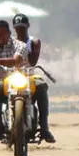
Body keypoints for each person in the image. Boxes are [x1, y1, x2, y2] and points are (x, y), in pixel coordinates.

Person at [9, 13, 55, 143]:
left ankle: (44, 128)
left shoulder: (34, 42)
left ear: (28, 26)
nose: (20, 29)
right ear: (14, 28)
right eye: (17, 27)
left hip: (29, 74)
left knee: (42, 86)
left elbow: (33, 62)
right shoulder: (10, 42)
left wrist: (23, 48)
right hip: (12, 75)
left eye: (23, 27)